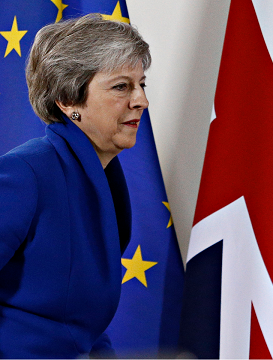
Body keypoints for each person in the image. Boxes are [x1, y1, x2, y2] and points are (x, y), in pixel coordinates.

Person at [0, 14, 150, 358]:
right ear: (68, 100)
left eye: (142, 84)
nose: (141, 100)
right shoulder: (27, 173)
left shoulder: (102, 179)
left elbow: (80, 325)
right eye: (121, 86)